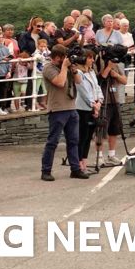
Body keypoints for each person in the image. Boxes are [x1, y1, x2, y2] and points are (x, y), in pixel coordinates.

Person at [40, 44, 89, 181]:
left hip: (71, 108)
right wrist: (64, 67)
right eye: (62, 58)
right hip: (57, 109)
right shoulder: (48, 68)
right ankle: (46, 170)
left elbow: (79, 82)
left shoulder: (66, 68)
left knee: (74, 141)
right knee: (53, 142)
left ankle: (75, 169)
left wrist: (73, 70)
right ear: (56, 57)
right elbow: (60, 83)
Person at [97, 51, 128, 167]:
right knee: (101, 130)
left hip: (115, 100)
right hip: (104, 101)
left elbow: (124, 80)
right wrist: (107, 67)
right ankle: (99, 156)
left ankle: (111, 154)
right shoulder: (99, 63)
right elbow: (100, 79)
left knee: (114, 129)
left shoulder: (117, 65)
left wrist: (116, 75)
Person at [74, 49, 102, 173]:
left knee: (89, 136)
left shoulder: (91, 72)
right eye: (89, 57)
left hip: (93, 106)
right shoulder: (79, 72)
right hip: (83, 108)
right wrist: (92, 104)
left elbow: (97, 87)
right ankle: (79, 163)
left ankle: (84, 162)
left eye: (93, 58)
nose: (92, 60)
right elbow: (83, 90)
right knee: (82, 137)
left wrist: (99, 101)